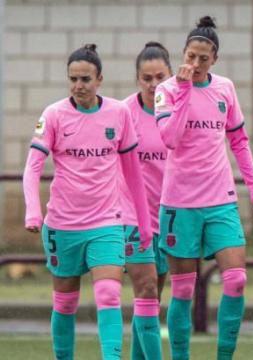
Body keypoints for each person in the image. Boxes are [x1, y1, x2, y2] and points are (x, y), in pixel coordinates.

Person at [23, 44, 152, 360]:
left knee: (108, 294)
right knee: (65, 302)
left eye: (85, 79)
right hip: (62, 225)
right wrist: (33, 211)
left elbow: (133, 173)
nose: (78, 86)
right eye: (73, 79)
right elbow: (32, 167)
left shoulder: (118, 114)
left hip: (106, 222)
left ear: (100, 80)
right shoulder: (53, 115)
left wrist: (145, 222)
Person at [154, 16, 253, 360]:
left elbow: (239, 140)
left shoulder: (225, 89)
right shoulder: (167, 90)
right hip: (179, 202)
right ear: (182, 54)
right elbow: (170, 139)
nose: (196, 64)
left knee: (236, 279)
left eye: (204, 58)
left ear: (214, 59)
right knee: (183, 289)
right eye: (191, 56)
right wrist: (186, 92)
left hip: (220, 199)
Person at [120, 41, 173, 360]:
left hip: (168, 218)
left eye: (159, 77)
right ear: (137, 78)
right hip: (130, 218)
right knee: (147, 291)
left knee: (151, 300)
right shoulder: (124, 112)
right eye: (146, 78)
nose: (154, 85)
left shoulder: (180, 109)